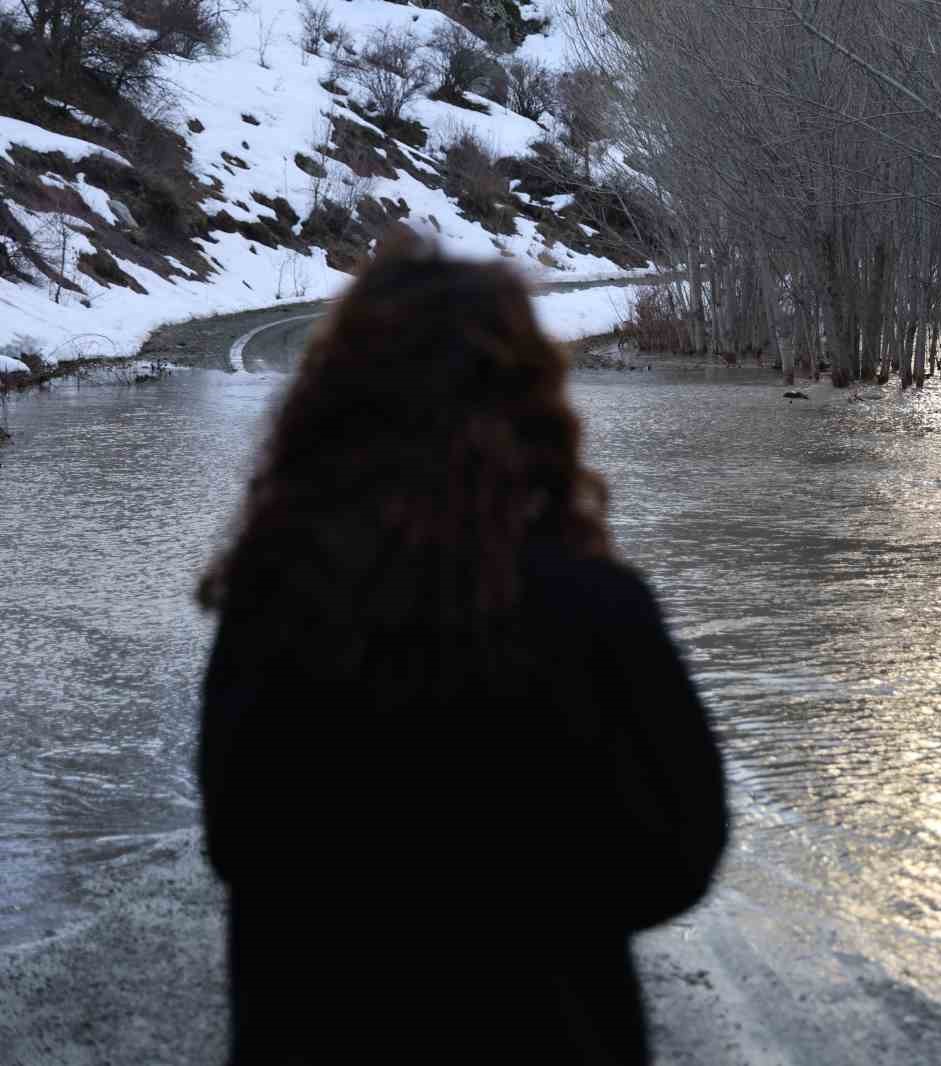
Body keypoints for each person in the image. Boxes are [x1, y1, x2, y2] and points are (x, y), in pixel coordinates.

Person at [196, 233, 727, 1065]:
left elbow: (237, 839)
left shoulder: (275, 595)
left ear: (337, 400)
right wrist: (526, 914)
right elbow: (682, 849)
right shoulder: (595, 602)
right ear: (528, 399)